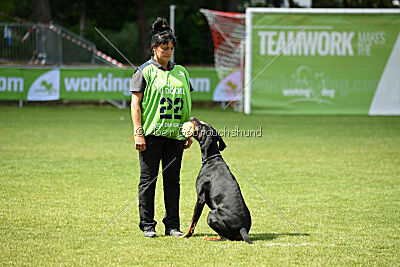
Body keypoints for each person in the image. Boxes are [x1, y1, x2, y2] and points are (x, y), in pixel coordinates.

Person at [130, 17, 193, 238]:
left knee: (172, 182)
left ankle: (172, 225)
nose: (168, 52)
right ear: (155, 48)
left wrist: (188, 130)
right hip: (151, 135)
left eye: (171, 48)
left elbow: (185, 101)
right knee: (148, 181)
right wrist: (139, 132)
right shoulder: (144, 71)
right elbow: (135, 104)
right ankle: (147, 225)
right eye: (164, 48)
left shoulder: (182, 72)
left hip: (175, 136)